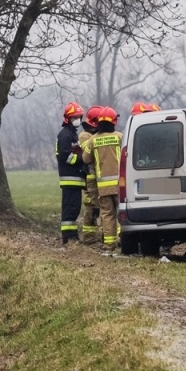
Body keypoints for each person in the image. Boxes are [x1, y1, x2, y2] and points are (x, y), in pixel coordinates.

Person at [82, 107, 123, 255]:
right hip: (121, 185)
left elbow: (85, 159)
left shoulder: (93, 140)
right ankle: (123, 240)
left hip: (103, 187)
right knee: (123, 212)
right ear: (114, 121)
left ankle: (109, 246)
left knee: (107, 214)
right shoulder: (120, 137)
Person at [56, 101, 87, 245]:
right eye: (75, 117)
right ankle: (68, 237)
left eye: (79, 117)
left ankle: (73, 235)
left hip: (75, 179)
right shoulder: (65, 135)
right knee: (69, 210)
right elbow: (65, 156)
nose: (78, 120)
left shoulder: (72, 134)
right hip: (70, 179)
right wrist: (81, 158)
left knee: (74, 209)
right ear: (68, 118)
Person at [78, 105, 102, 244]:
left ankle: (104, 235)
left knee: (104, 207)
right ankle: (89, 237)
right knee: (91, 208)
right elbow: (90, 155)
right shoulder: (84, 136)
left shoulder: (93, 135)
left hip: (100, 177)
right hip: (91, 179)